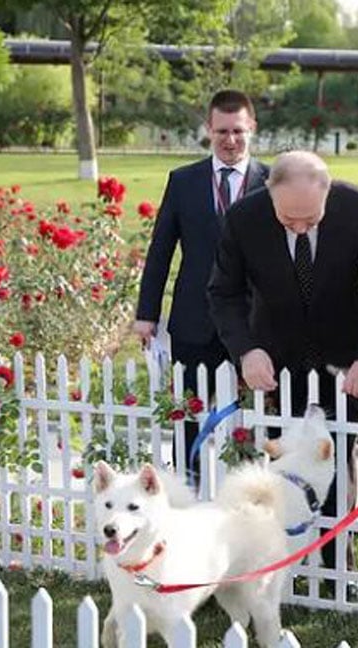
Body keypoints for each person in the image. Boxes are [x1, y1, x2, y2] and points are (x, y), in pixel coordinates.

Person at [208, 150, 358, 571]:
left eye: (310, 221)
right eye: (288, 220)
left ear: (327, 195)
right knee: (281, 462)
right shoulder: (243, 218)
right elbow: (223, 293)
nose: (298, 228)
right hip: (275, 362)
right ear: (269, 194)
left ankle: (336, 566)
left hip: (345, 361)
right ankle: (282, 564)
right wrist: (246, 350)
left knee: (337, 455)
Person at [134, 90, 269, 484]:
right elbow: (161, 249)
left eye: (239, 131)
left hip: (252, 323)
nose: (230, 140)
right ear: (208, 130)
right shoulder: (183, 181)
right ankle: (188, 491)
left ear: (252, 129)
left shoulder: (273, 180)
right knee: (188, 417)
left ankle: (245, 494)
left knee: (249, 418)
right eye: (222, 131)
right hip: (193, 321)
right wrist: (146, 313)